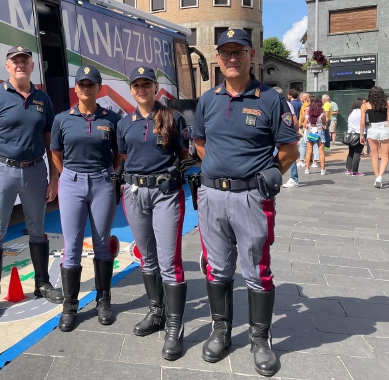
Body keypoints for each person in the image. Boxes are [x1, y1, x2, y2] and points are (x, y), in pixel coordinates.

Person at [192, 29, 298, 376]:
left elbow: (289, 150)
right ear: (218, 58)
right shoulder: (208, 100)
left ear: (251, 56)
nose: (232, 58)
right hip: (211, 197)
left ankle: (260, 339)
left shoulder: (270, 99)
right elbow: (201, 145)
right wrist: (219, 174)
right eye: (226, 53)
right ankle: (220, 331)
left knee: (257, 268)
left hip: (252, 197)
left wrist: (265, 174)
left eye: (239, 52)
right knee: (217, 267)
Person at [0, 45, 63, 321]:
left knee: (37, 228)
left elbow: (52, 144)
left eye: (25, 60)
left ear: (32, 66)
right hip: (2, 170)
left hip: (35, 171)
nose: (20, 65)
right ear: (7, 66)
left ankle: (42, 283)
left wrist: (54, 177)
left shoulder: (42, 99)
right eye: (16, 61)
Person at [118, 66, 189, 361]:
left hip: (165, 193)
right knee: (146, 257)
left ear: (156, 87)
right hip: (134, 193)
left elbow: (186, 154)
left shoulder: (173, 117)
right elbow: (123, 157)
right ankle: (156, 312)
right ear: (131, 89)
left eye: (146, 83)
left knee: (168, 260)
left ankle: (175, 326)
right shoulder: (125, 123)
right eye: (136, 84)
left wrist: (174, 172)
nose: (141, 88)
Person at [50, 65, 122, 332]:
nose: (85, 88)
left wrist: (107, 174)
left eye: (90, 84)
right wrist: (67, 177)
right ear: (76, 88)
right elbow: (56, 152)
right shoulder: (62, 119)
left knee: (102, 244)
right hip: (72, 183)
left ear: (98, 88)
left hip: (103, 182)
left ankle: (103, 301)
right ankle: (70, 306)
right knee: (73, 246)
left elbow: (118, 154)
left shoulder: (111, 119)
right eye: (81, 84)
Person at [360, 86, 389, 188]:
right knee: (385, 156)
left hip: (372, 129)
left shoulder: (365, 105)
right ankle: (380, 177)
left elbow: (363, 122)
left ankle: (377, 177)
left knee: (374, 156)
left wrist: (361, 135)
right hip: (385, 127)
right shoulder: (386, 104)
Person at [304, 99, 328, 176]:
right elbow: (324, 123)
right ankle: (322, 169)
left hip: (311, 131)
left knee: (308, 152)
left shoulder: (308, 114)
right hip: (319, 131)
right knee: (321, 152)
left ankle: (307, 169)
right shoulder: (321, 115)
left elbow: (304, 124)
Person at [345, 98, 365, 176]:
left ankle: (348, 169)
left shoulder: (351, 112)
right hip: (359, 133)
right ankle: (355, 171)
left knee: (351, 152)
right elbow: (363, 123)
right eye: (364, 103)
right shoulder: (362, 112)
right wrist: (362, 135)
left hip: (350, 134)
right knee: (357, 153)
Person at [298, 93, 319, 168]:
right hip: (316, 129)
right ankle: (315, 162)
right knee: (315, 145)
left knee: (304, 145)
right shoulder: (319, 110)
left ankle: (303, 162)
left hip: (308, 129)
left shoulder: (307, 109)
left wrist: (303, 125)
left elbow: (304, 119)